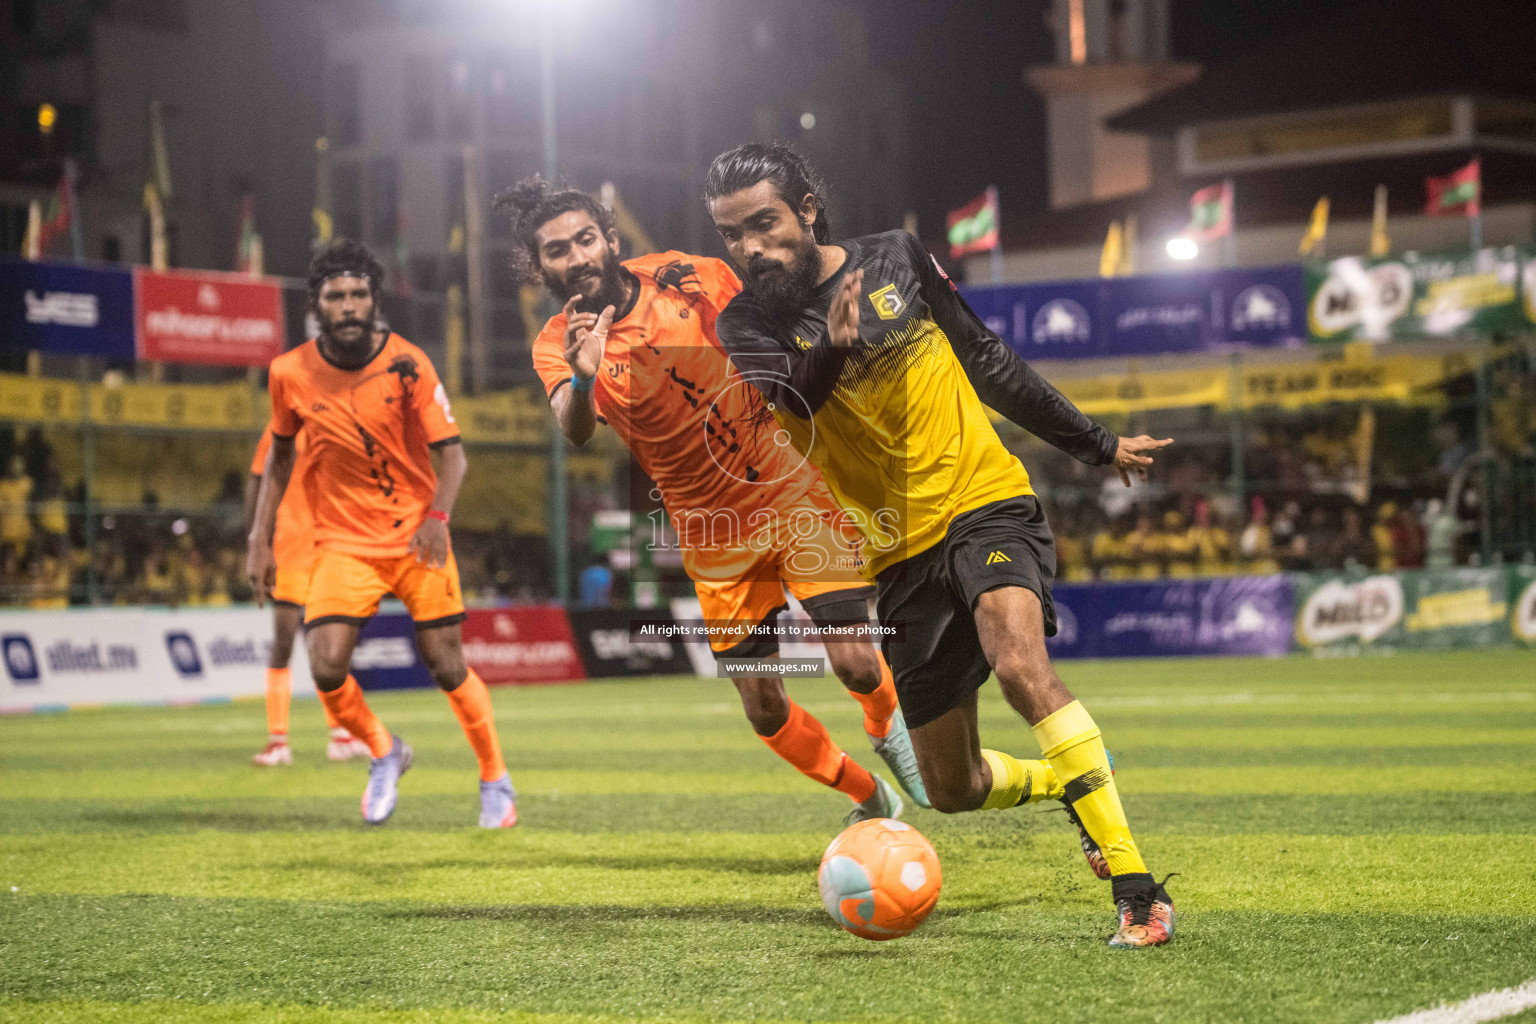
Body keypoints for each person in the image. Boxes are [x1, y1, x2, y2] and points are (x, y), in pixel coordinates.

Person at [707, 142, 1176, 947]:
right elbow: (796, 397)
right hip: (896, 553)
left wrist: (1095, 444)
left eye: (764, 223)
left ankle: (1137, 889)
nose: (750, 247)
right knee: (949, 789)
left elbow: (987, 358)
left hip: (984, 499)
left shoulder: (895, 255)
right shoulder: (744, 323)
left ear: (808, 210)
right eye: (733, 234)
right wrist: (835, 346)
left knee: (1021, 666)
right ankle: (1063, 784)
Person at [498, 177, 941, 824]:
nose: (577, 256)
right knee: (763, 709)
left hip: (784, 483)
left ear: (611, 238)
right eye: (558, 250)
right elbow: (574, 425)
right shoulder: (554, 344)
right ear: (540, 267)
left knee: (852, 659)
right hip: (710, 533)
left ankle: (883, 725)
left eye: (586, 238)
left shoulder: (690, 277)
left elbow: (777, 324)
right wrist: (585, 375)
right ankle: (866, 795)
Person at [246, 239, 515, 828]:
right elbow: (279, 460)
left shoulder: (408, 362)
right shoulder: (288, 373)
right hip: (344, 544)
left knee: (446, 664)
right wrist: (259, 541)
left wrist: (438, 519)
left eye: (359, 294)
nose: (348, 305)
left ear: (373, 299)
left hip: (418, 537)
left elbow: (455, 458)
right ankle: (384, 749)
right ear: (316, 305)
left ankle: (495, 777)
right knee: (324, 666)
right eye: (336, 296)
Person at [244, 423, 370, 766]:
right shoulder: (277, 431)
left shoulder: (338, 424)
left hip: (330, 549)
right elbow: (257, 480)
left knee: (329, 649)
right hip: (289, 549)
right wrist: (257, 540)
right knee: (284, 641)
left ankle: (342, 735)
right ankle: (278, 741)